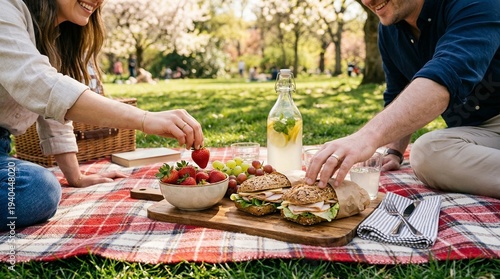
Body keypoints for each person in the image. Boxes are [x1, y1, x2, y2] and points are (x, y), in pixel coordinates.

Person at [0, 0, 204, 231]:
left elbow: (52, 109)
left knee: (36, 187)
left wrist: (75, 176)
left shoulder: (54, 35)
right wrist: (144, 119)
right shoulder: (5, 10)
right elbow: (38, 84)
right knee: (38, 190)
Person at [305, 0, 500, 198]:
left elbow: (448, 74)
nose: (367, 2)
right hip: (478, 132)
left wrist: (366, 137)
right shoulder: (389, 31)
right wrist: (395, 151)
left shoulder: (476, 3)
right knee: (428, 153)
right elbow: (397, 92)